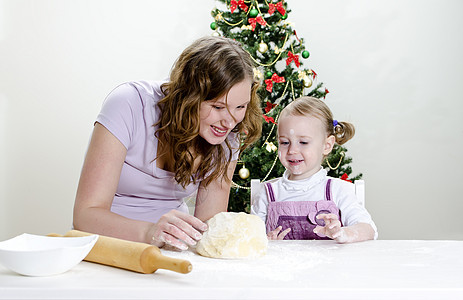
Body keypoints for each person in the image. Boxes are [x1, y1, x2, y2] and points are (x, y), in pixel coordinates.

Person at [73, 36, 262, 250]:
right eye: (218, 107)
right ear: (188, 97)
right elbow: (85, 216)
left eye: (241, 107)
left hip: (171, 250)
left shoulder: (227, 134)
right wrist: (149, 232)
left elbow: (209, 225)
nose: (229, 121)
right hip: (106, 246)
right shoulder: (129, 105)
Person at [251, 96, 377, 243]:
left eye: (303, 142)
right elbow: (250, 238)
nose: (292, 150)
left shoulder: (338, 190)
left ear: (327, 145)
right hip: (281, 265)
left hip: (330, 265)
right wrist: (264, 241)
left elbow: (369, 230)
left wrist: (343, 233)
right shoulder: (267, 193)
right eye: (285, 142)